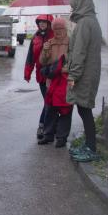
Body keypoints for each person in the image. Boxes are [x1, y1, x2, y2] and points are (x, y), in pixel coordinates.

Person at [66, 0, 103, 162]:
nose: (73, 9)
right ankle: (89, 145)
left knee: (84, 109)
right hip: (89, 72)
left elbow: (79, 52)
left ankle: (91, 148)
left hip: (84, 75)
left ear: (82, 5)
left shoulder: (84, 24)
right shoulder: (92, 21)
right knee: (83, 108)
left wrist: (73, 75)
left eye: (74, 6)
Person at [38, 17, 72, 147]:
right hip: (51, 81)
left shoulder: (71, 42)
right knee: (50, 108)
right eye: (55, 29)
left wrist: (66, 68)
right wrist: (45, 50)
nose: (58, 32)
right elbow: (42, 62)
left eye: (60, 29)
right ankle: (48, 135)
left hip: (65, 80)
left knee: (65, 108)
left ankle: (62, 137)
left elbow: (76, 60)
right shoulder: (50, 42)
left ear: (65, 29)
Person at [24, 14, 54, 139]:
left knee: (50, 101)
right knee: (48, 101)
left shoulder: (54, 36)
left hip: (53, 74)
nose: (42, 24)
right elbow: (30, 56)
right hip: (41, 75)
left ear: (49, 23)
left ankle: (43, 126)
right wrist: (27, 72)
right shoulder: (35, 37)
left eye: (45, 22)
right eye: (40, 22)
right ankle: (47, 127)